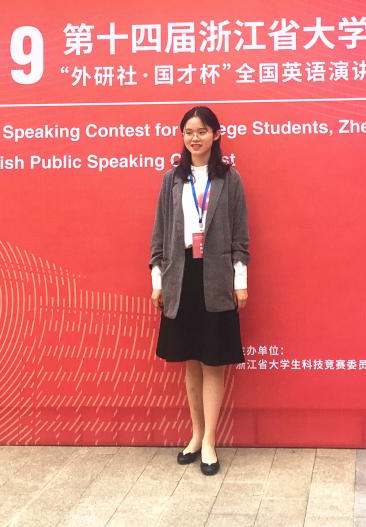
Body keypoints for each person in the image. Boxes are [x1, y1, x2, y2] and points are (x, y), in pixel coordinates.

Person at [149, 106, 249, 476]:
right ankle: (195, 434)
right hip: (181, 277)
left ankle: (210, 441)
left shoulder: (230, 179)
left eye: (202, 131)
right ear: (183, 136)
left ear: (216, 135)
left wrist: (240, 282)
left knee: (213, 360)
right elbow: (159, 236)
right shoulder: (172, 180)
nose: (195, 137)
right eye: (189, 131)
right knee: (190, 360)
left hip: (217, 278)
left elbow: (240, 239)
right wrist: (158, 281)